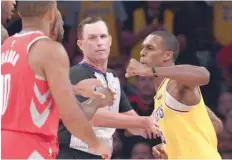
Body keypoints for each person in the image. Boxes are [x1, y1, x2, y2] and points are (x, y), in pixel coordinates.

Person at [1, 1, 112, 159]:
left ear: (20, 13)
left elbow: (57, 107)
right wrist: (97, 145)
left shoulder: (6, 45)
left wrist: (94, 102)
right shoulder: (49, 49)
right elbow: (70, 115)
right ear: (52, 13)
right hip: (31, 148)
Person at [57, 16, 161, 159]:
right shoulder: (76, 73)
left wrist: (154, 128)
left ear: (110, 41)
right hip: (73, 154)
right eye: (92, 38)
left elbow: (130, 120)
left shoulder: (112, 77)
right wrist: (143, 121)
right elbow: (94, 116)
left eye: (103, 36)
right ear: (81, 44)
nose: (99, 43)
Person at [126, 30, 222, 159]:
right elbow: (216, 124)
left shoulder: (175, 84)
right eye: (142, 48)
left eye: (150, 48)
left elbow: (204, 75)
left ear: (167, 55)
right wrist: (171, 146)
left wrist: (152, 71)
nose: (142, 52)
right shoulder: (161, 94)